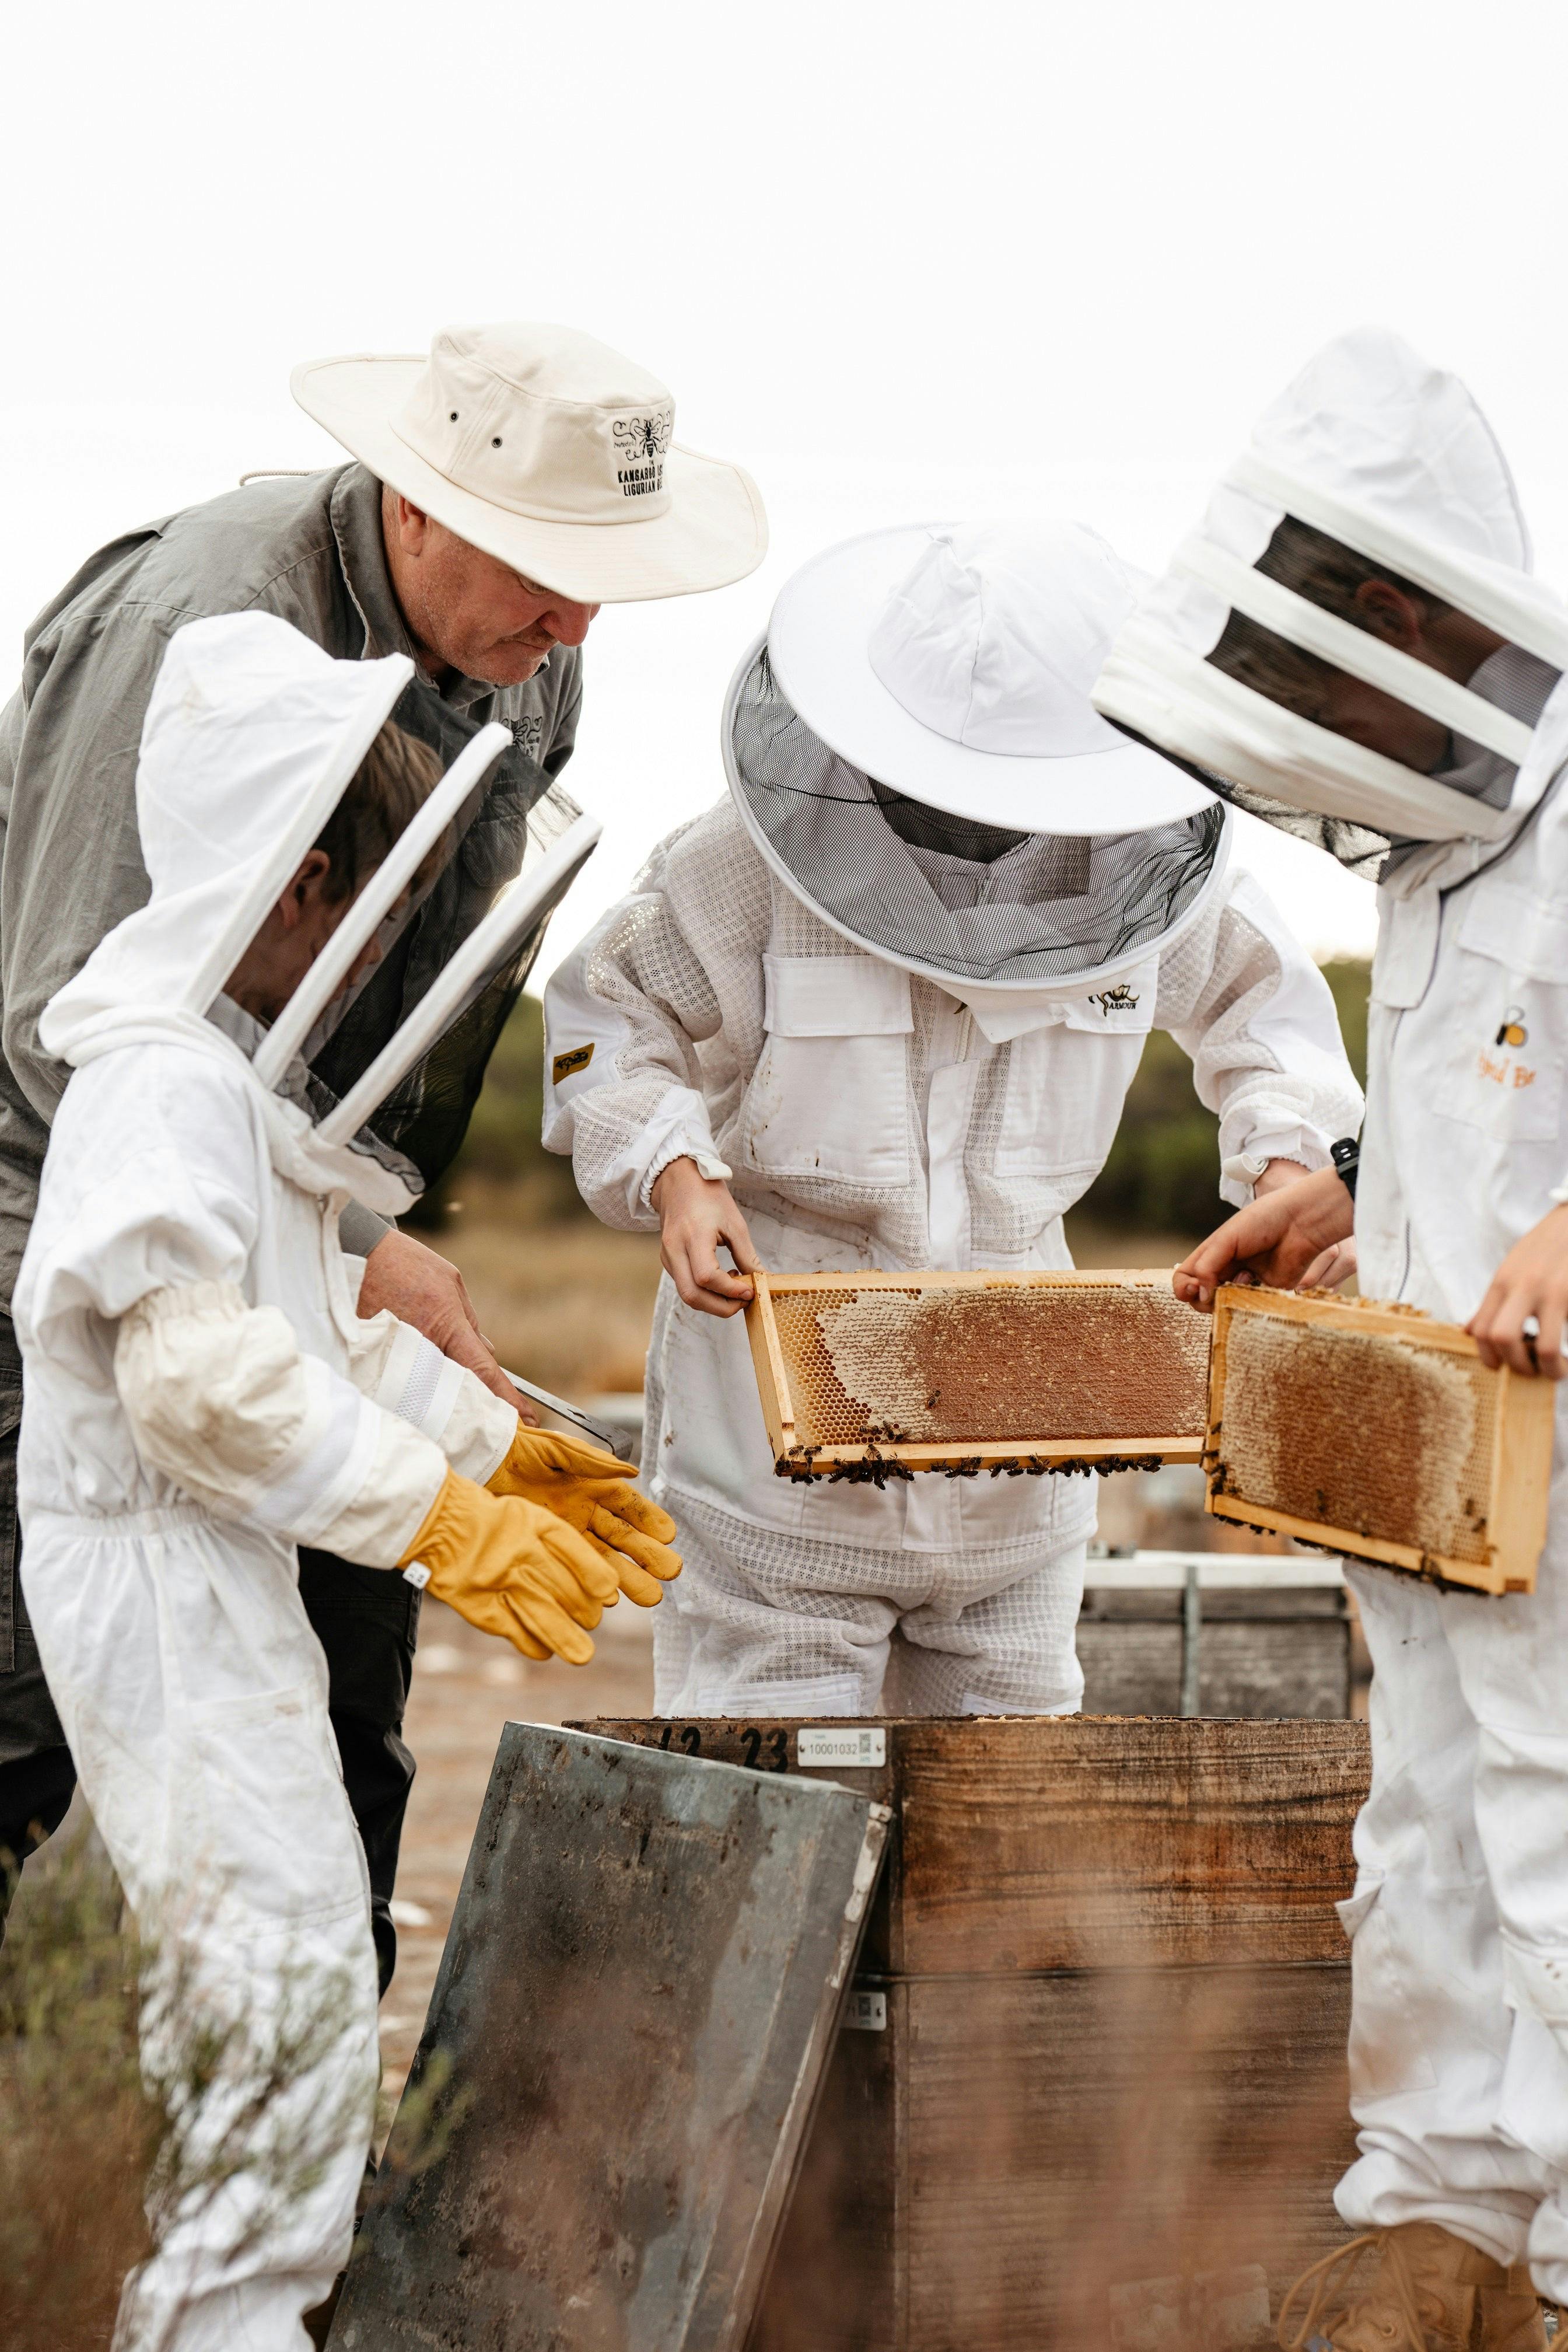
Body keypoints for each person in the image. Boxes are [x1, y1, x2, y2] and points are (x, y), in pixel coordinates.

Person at [0, 319, 764, 1982]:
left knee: (341, 1691)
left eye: (599, 580)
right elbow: (60, 1020)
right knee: (46, 1706)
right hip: (63, 1198)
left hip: (295, 1198)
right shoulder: (198, 619)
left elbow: (409, 981)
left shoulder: (532, 642)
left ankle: (308, 2132)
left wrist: (451, 1427)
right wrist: (344, 1251)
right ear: (417, 506)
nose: (572, 621)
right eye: (548, 570)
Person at [15, 609, 680, 2352]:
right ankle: (218, 2325)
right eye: (387, 897)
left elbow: (304, 1345)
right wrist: (435, 1518)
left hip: (205, 1567)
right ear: (299, 879)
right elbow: (198, 1386)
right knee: (271, 1976)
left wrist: (503, 1443)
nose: (401, 943)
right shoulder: (157, 1086)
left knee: (293, 1952)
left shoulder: (228, 1092)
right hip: (156, 1573)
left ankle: (230, 2313)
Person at [542, 520, 1362, 1719]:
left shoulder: (1149, 874)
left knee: (1006, 1837)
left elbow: (1265, 1013)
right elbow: (602, 1028)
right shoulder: (736, 869)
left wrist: (1290, 1157)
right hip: (778, 1447)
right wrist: (675, 1171)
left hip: (1023, 1457)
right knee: (778, 1812)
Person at [1094, 327, 1568, 2347]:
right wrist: (1344, 1191)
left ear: (1401, 611)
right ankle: (1440, 2210)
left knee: (1556, 1826)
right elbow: (1493, 1124)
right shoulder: (1447, 855)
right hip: (1450, 1466)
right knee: (1433, 1818)